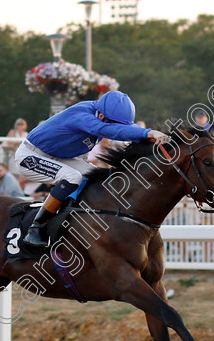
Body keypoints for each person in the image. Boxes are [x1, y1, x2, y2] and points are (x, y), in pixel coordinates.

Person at [13, 91, 168, 247]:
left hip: (59, 156)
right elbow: (109, 131)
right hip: (30, 155)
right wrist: (146, 132)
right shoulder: (82, 115)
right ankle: (36, 227)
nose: (117, 127)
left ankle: (77, 217)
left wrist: (151, 135)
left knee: (98, 177)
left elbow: (123, 128)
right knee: (73, 177)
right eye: (114, 123)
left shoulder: (103, 113)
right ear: (101, 116)